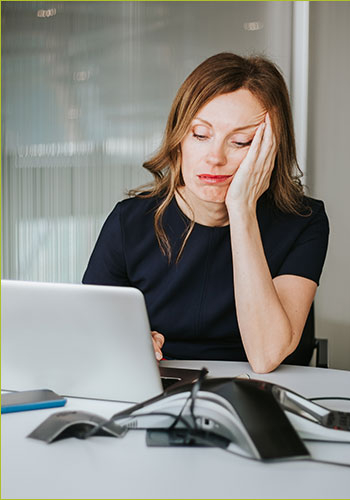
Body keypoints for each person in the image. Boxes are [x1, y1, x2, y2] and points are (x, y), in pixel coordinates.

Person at [83, 52, 329, 373]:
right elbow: (89, 334)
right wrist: (128, 339)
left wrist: (241, 209)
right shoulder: (129, 222)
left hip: (265, 392)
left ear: (270, 149)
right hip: (156, 386)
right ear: (179, 138)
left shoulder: (303, 221)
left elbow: (267, 354)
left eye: (241, 142)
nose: (215, 157)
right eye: (200, 135)